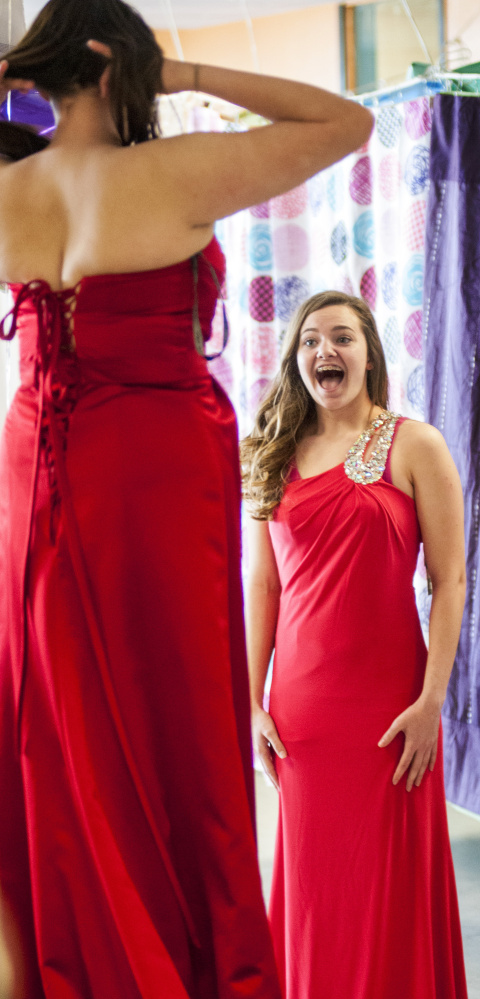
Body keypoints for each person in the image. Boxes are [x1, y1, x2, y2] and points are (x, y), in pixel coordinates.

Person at [0, 1, 374, 996]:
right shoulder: (169, 173)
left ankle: (81, 955)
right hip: (152, 470)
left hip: (33, 464)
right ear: (118, 60)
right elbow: (347, 125)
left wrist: (16, 77)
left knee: (61, 717)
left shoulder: (8, 189)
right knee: (178, 718)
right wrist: (189, 80)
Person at [242, 290, 469, 999]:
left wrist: (433, 700)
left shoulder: (415, 443)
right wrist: (249, 700)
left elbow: (451, 577)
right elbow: (264, 589)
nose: (323, 351)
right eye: (310, 340)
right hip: (303, 715)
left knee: (388, 881)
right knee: (317, 888)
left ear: (369, 351)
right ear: (297, 359)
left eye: (341, 337)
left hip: (391, 712)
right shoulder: (273, 454)